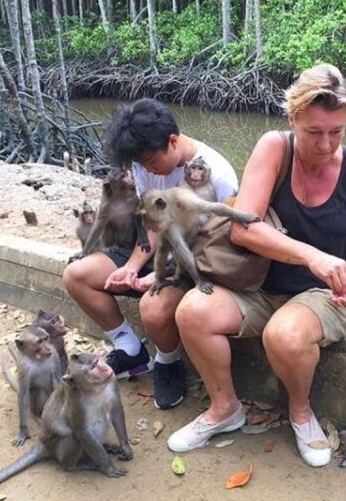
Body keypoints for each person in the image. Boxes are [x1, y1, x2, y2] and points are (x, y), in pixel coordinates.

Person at [167, 64, 346, 467]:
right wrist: (312, 255)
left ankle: (300, 412)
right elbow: (243, 229)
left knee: (284, 335)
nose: (325, 144)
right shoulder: (274, 148)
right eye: (314, 132)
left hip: (322, 294)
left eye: (336, 132)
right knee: (193, 311)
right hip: (260, 285)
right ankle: (224, 408)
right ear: (292, 119)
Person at [63, 98, 239, 409]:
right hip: (159, 249)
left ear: (173, 141)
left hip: (196, 258)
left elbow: (221, 237)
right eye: (141, 165)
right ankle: (130, 349)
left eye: (151, 162)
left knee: (153, 308)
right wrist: (133, 266)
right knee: (76, 275)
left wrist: (163, 273)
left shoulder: (218, 174)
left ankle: (167, 361)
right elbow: (153, 225)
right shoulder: (145, 164)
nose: (146, 170)